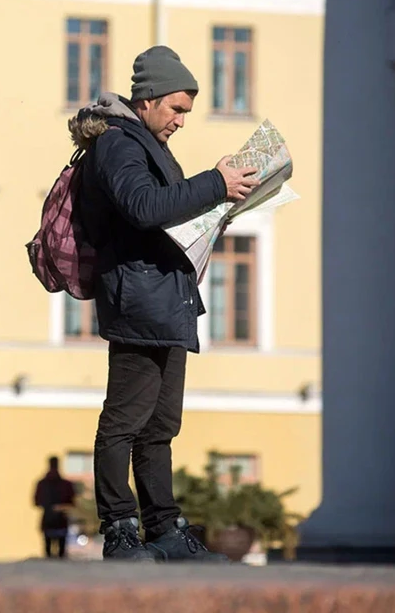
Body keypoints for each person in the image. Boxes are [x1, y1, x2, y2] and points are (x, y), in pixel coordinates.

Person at [69, 45, 259, 562]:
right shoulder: (117, 144)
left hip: (167, 301)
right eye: (176, 108)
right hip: (139, 303)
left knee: (159, 429)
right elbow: (143, 207)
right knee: (123, 422)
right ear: (147, 99)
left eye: (185, 113)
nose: (180, 121)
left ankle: (165, 530)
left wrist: (215, 207)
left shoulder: (145, 144)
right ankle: (120, 530)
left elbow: (164, 213)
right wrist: (214, 183)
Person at [32, 456, 77, 559]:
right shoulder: (65, 484)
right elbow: (72, 501)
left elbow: (37, 501)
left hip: (53, 519)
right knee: (59, 552)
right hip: (58, 520)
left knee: (50, 551)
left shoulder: (43, 484)